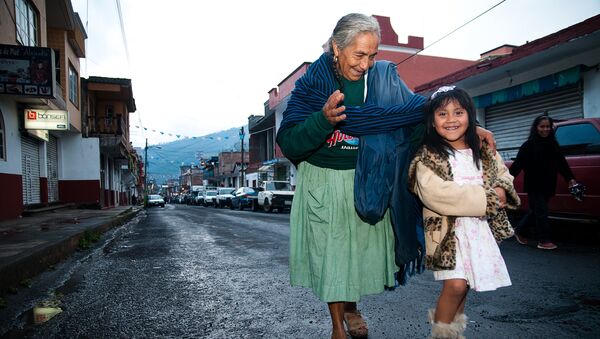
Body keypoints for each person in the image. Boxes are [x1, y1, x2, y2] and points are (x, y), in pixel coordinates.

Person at [276, 14, 497, 339]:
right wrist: (323, 120)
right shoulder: (312, 86)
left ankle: (351, 307)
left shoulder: (381, 78)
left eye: (372, 54)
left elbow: (421, 109)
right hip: (324, 182)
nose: (366, 64)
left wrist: (466, 128)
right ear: (337, 48)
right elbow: (289, 140)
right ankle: (338, 325)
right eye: (359, 54)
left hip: (370, 180)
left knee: (355, 257)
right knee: (334, 258)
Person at [408, 86, 519, 338]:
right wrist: (487, 198)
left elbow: (503, 173)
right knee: (455, 285)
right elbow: (435, 193)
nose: (451, 120)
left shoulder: (482, 150)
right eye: (442, 114)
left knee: (465, 283)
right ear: (432, 122)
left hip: (478, 230)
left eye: (458, 112)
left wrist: (502, 187)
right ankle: (441, 334)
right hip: (447, 233)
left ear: (470, 116)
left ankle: (454, 331)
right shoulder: (429, 156)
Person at [509, 115, 577, 250]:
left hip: (549, 184)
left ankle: (519, 230)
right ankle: (544, 240)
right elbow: (517, 165)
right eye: (542, 126)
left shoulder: (553, 144)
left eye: (547, 126)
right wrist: (506, 181)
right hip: (534, 184)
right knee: (541, 212)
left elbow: (562, 164)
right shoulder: (528, 145)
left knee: (536, 210)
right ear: (536, 128)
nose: (545, 129)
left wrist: (570, 179)